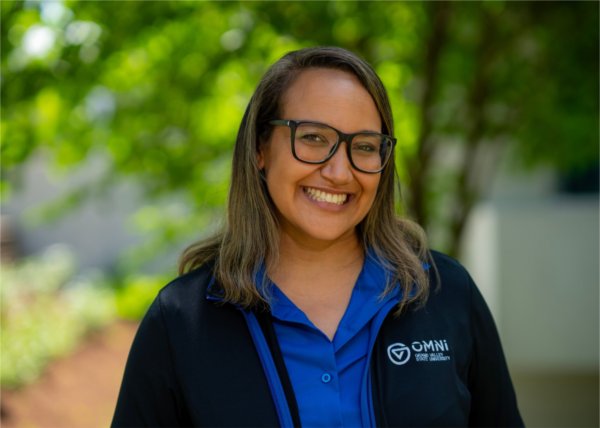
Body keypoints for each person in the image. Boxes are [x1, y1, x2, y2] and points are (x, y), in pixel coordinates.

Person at [112, 46, 523, 427]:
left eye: (364, 146)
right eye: (312, 138)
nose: (340, 173)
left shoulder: (444, 292)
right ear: (260, 149)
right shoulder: (182, 320)